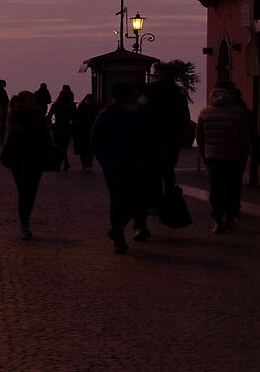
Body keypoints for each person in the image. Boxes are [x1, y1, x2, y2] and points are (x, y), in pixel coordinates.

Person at [88, 80, 158, 253]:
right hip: (116, 168)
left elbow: (150, 139)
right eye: (134, 95)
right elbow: (96, 141)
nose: (137, 97)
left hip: (138, 166)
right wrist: (107, 163)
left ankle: (117, 230)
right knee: (120, 201)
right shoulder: (107, 116)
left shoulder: (140, 114)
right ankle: (118, 235)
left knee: (137, 201)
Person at [195, 82, 260, 233]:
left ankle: (217, 219)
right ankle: (229, 218)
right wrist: (244, 153)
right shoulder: (239, 112)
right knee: (232, 188)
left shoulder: (205, 112)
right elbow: (244, 136)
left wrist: (204, 153)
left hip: (213, 156)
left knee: (216, 188)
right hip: (234, 157)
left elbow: (199, 136)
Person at [0, 91, 56, 240]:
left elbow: (45, 135)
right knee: (24, 191)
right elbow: (15, 134)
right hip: (18, 159)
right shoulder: (15, 115)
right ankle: (24, 225)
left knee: (31, 193)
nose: (33, 103)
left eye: (34, 100)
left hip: (37, 159)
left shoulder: (39, 114)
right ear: (22, 102)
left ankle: (26, 222)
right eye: (30, 100)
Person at [144, 63, 196, 216]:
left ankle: (154, 203)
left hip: (152, 139)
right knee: (168, 171)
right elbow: (185, 120)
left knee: (153, 172)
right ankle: (168, 200)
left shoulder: (149, 95)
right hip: (172, 139)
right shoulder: (178, 96)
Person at [49, 85, 77, 170]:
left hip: (57, 126)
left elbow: (49, 116)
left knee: (59, 146)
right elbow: (74, 117)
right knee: (64, 146)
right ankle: (64, 162)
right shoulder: (71, 104)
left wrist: (51, 125)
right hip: (66, 127)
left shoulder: (56, 104)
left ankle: (60, 163)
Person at [73, 91, 100, 172]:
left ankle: (87, 165)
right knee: (85, 149)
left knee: (87, 150)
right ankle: (86, 165)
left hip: (86, 130)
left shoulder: (83, 107)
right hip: (84, 130)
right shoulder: (93, 108)